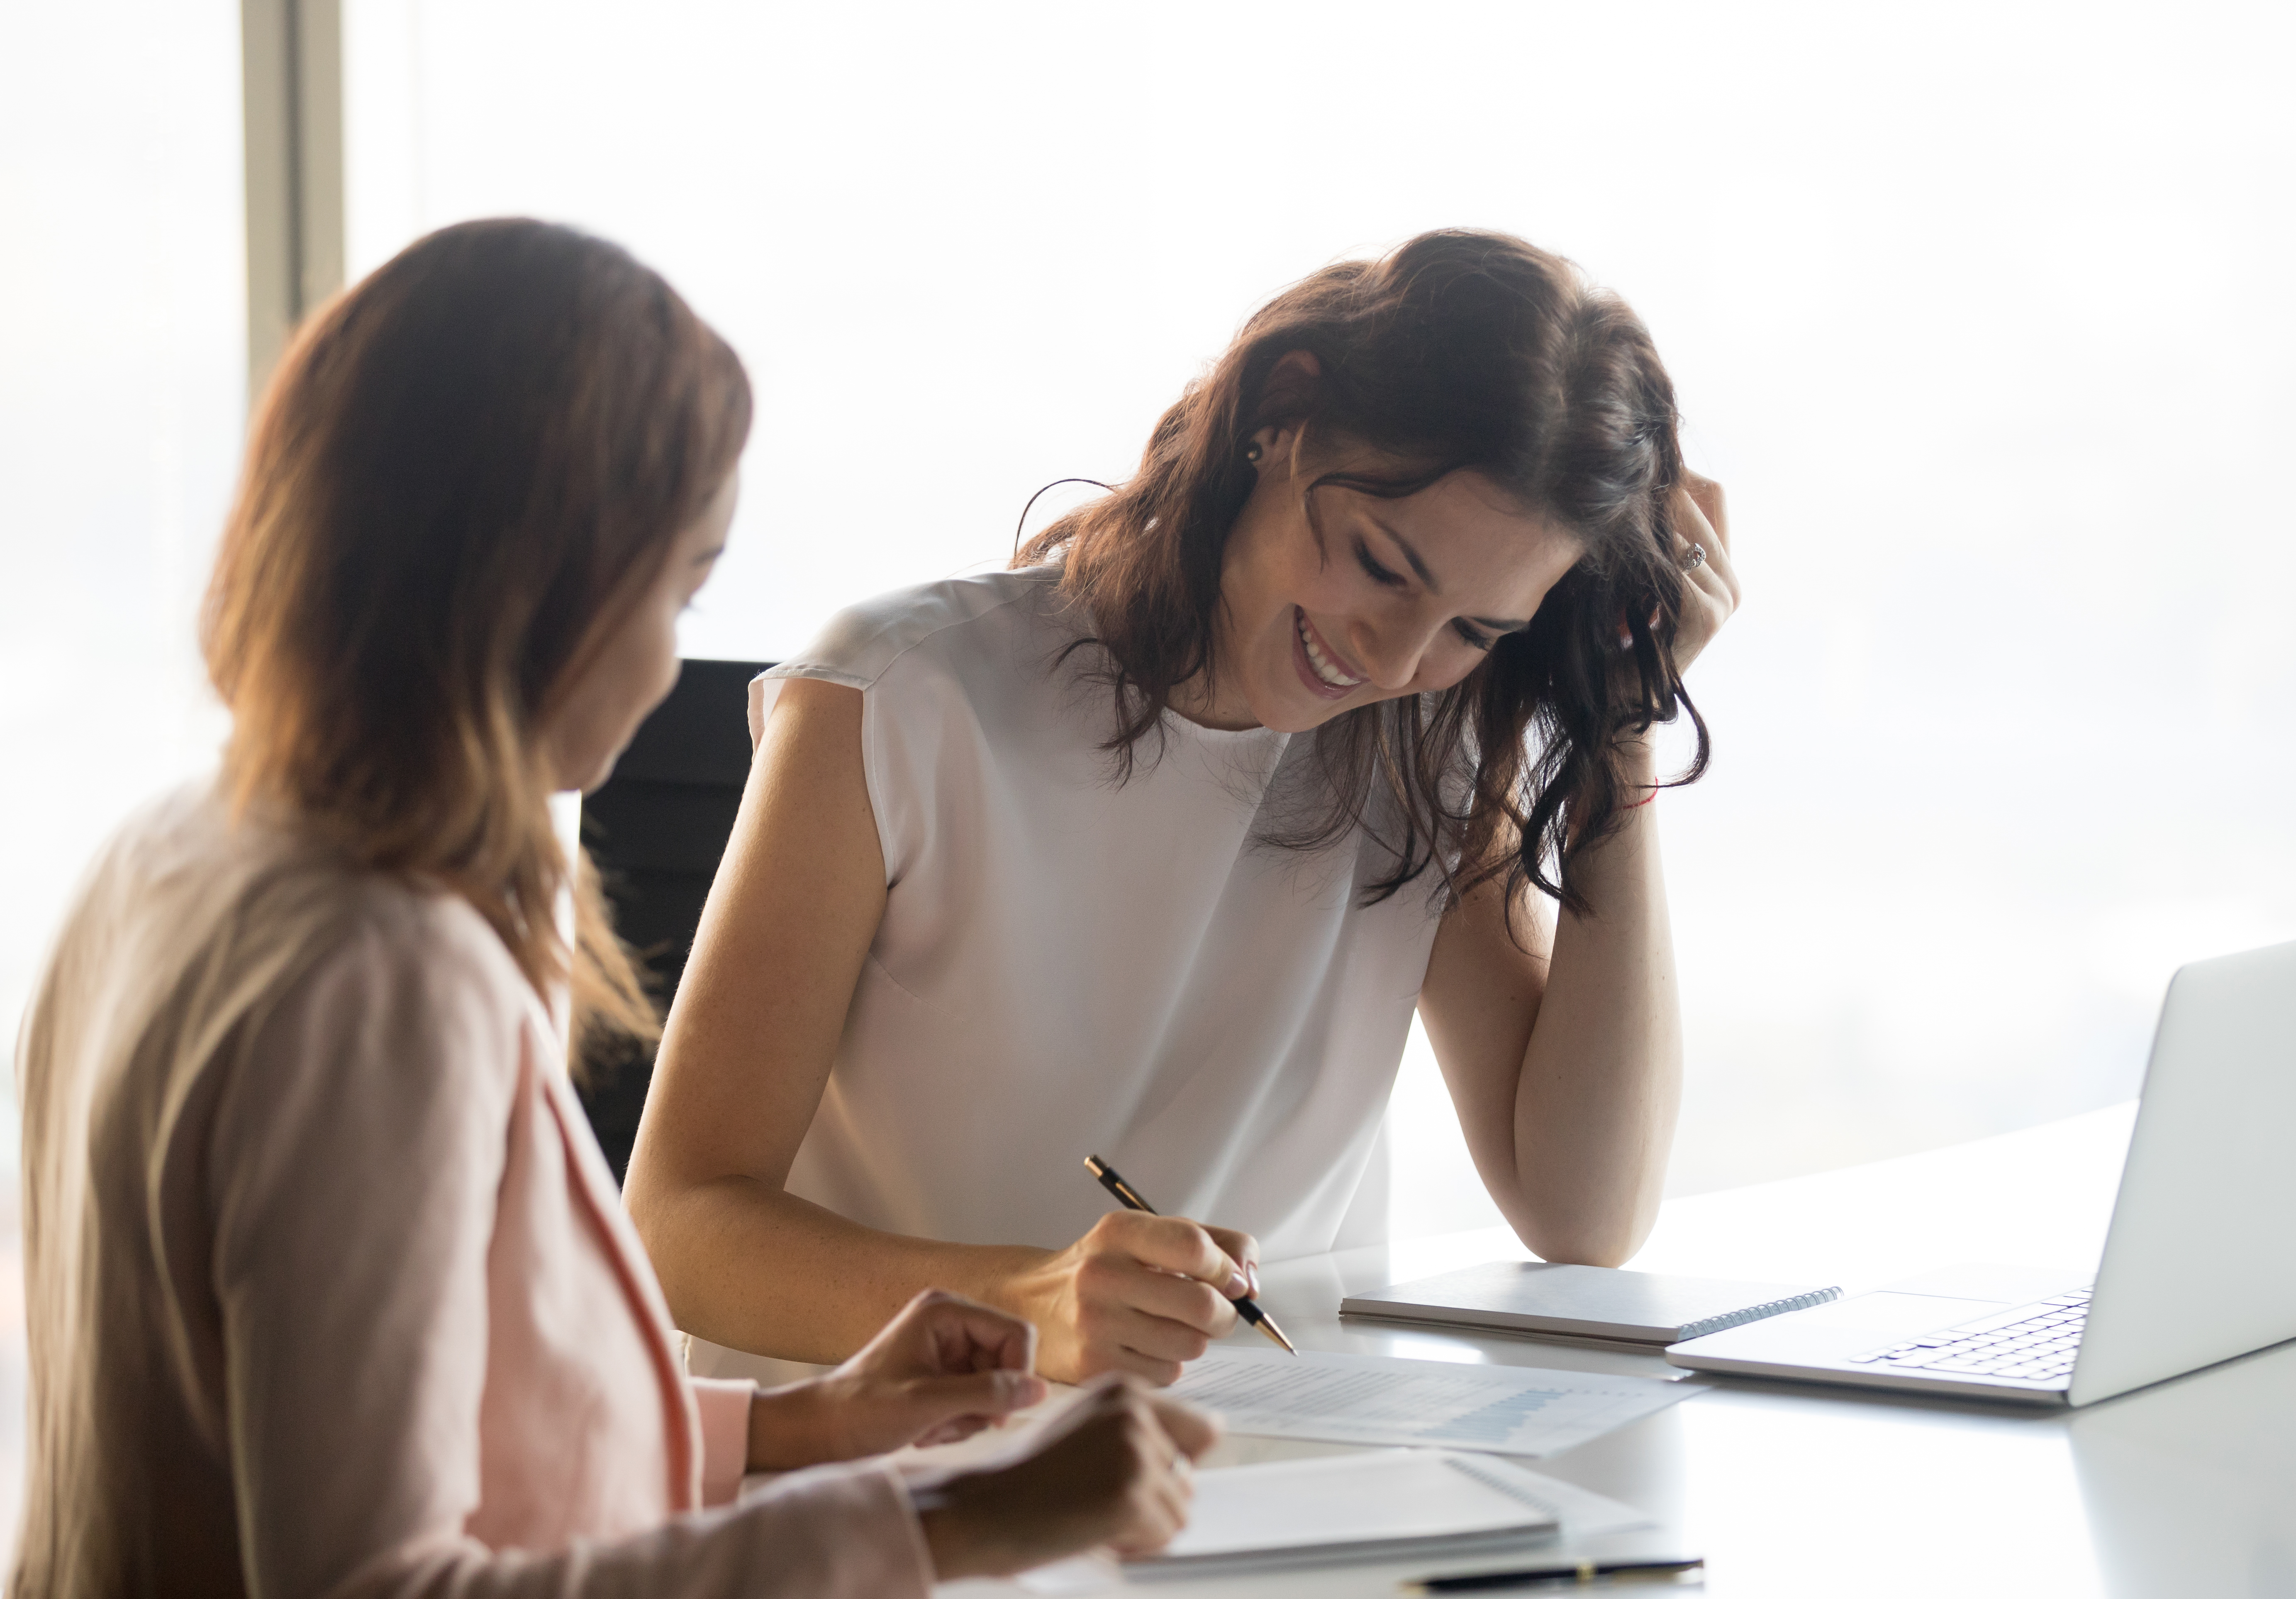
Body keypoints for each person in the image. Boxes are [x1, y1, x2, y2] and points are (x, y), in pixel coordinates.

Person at [10, 217, 1214, 1599]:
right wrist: (951, 1531)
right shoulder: (382, 975)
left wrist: (796, 1429)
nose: (669, 664)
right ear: (543, 590)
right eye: (681, 588)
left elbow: (406, 1426)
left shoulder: (174, 853)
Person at [626, 229, 1740, 1386]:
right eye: (1381, 563)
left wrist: (1622, 732)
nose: (1395, 654)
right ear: (1280, 411)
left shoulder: (1430, 746)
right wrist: (1028, 1306)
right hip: (894, 1476)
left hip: (1257, 1472)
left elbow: (1583, 1214)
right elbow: (679, 1225)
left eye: (1476, 628)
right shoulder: (898, 694)